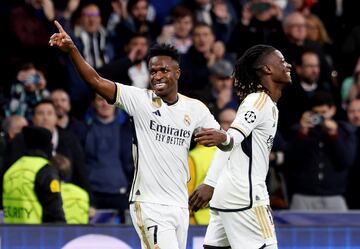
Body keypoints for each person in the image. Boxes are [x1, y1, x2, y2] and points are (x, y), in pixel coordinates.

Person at [49, 21, 228, 249]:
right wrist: (73, 50)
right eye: (153, 71)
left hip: (180, 205)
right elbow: (95, 81)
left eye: (164, 70)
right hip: (149, 204)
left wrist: (211, 184)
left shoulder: (196, 109)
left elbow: (227, 145)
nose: (157, 76)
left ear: (177, 73)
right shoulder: (139, 100)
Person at [190, 44, 292, 248]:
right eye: (281, 61)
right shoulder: (259, 101)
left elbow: (231, 145)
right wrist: (225, 138)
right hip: (247, 197)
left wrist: (211, 183)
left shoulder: (264, 104)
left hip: (226, 195)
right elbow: (233, 136)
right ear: (267, 69)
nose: (288, 65)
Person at [285, 92, 356, 211]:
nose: (320, 117)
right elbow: (291, 160)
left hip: (334, 196)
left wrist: (334, 135)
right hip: (303, 196)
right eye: (316, 113)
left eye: (323, 113)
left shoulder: (345, 132)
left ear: (332, 110)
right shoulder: (300, 130)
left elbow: (346, 161)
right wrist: (302, 133)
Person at [3, 126, 65, 223]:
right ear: (46, 145)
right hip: (36, 235)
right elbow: (54, 212)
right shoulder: (45, 171)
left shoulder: (11, 171)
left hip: (10, 234)